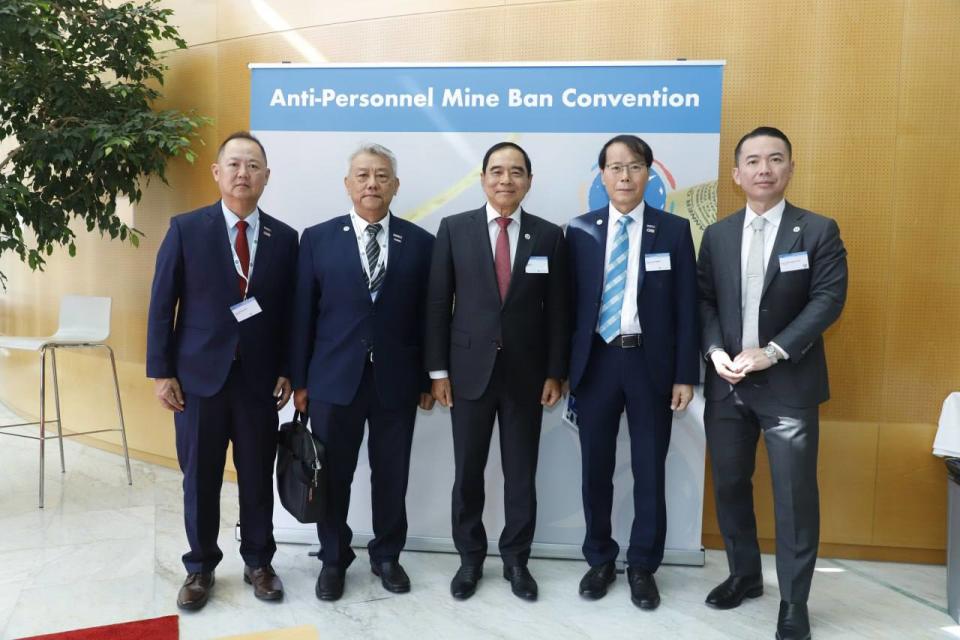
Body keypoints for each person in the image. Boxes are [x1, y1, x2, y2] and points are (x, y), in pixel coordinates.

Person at [697, 127, 847, 640]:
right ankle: (743, 576)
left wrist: (773, 351)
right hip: (727, 385)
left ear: (790, 168)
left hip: (789, 383)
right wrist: (716, 351)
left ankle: (794, 600)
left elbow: (827, 300)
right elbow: (704, 302)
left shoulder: (818, 230)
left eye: (775, 159)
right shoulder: (716, 235)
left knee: (793, 495)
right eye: (754, 161)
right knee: (732, 485)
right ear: (736, 175)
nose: (765, 169)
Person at [146, 131, 298, 610]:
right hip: (197, 380)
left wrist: (289, 369)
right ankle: (199, 568)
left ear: (266, 176)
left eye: (253, 166)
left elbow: (293, 313)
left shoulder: (285, 238)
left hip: (258, 382)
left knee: (256, 476)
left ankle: (259, 562)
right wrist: (161, 370)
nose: (243, 174)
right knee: (200, 477)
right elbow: (160, 304)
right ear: (217, 172)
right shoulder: (186, 229)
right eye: (234, 164)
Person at [289, 143, 435, 602]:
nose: (372, 183)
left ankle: (387, 555)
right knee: (333, 475)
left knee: (392, 474)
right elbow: (302, 316)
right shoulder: (316, 238)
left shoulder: (421, 242)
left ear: (395, 185)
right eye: (363, 175)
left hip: (397, 379)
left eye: (381, 176)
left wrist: (432, 377)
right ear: (348, 184)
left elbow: (430, 316)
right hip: (333, 380)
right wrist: (300, 380)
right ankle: (334, 558)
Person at [425, 141, 569, 602]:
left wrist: (555, 371)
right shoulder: (454, 229)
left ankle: (515, 560)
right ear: (482, 178)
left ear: (529, 180)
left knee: (521, 473)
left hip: (527, 376)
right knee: (467, 470)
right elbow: (436, 305)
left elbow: (558, 313)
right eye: (497, 171)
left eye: (516, 172)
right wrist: (437, 371)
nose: (506, 180)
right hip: (467, 373)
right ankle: (469, 558)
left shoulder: (549, 236)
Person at [566, 134, 699, 610]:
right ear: (602, 176)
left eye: (635, 166)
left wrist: (686, 374)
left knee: (649, 469)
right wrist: (562, 372)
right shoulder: (578, 231)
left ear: (650, 173)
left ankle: (643, 565)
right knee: (594, 470)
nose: (625, 176)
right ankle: (599, 558)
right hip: (596, 363)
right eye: (615, 167)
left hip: (651, 366)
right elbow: (566, 309)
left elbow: (688, 308)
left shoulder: (674, 230)